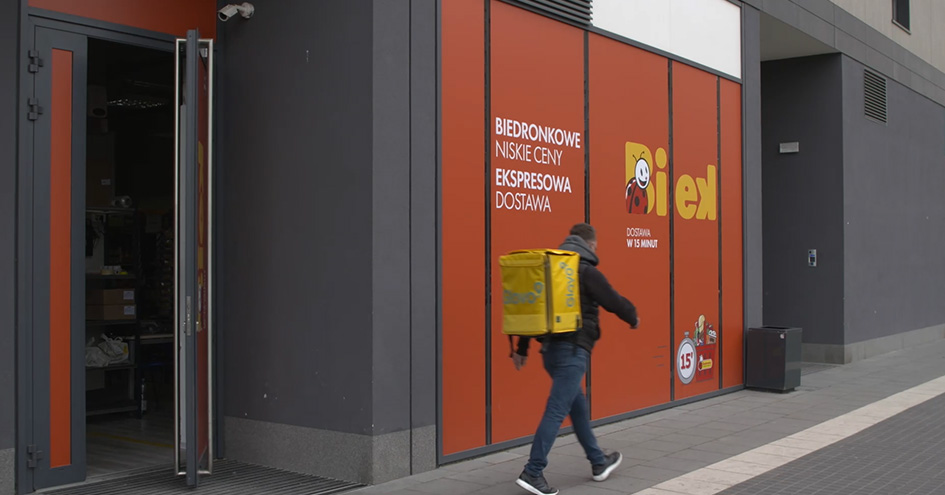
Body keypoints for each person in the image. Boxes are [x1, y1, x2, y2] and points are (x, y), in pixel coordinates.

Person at [513, 223, 640, 495]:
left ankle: (598, 462)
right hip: (573, 353)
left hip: (550, 351)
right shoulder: (585, 271)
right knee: (557, 410)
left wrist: (522, 348)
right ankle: (533, 471)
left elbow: (532, 307)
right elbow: (614, 301)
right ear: (590, 245)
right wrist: (633, 316)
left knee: (577, 408)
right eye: (596, 246)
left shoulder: (552, 271)